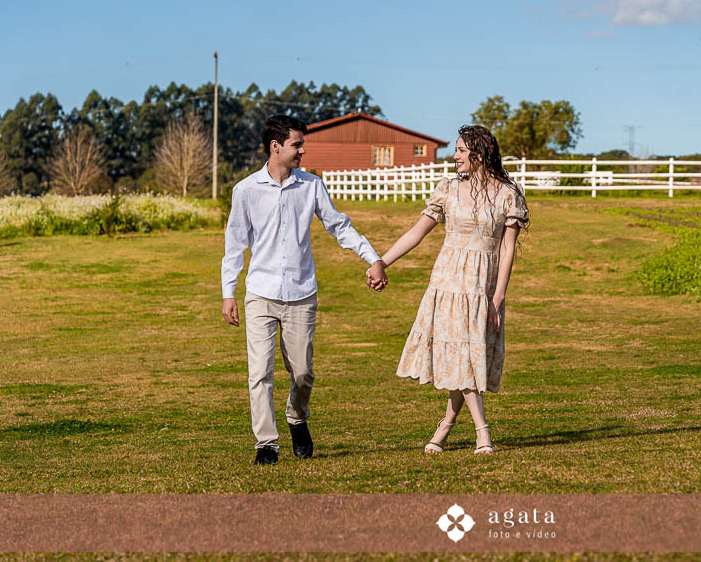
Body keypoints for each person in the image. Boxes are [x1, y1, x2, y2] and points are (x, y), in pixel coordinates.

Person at [222, 114, 387, 465]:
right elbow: (235, 245)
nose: (303, 150)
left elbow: (339, 226)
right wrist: (228, 292)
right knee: (259, 373)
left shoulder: (311, 186)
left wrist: (371, 258)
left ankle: (297, 417)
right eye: (297, 144)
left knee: (302, 373)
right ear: (275, 146)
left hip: (301, 295)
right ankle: (266, 444)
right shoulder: (246, 191)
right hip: (261, 294)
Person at [371, 125, 529, 455]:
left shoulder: (507, 194)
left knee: (467, 355)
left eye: (459, 150)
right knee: (461, 355)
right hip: (447, 281)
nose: (454, 156)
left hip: (482, 285)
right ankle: (481, 432)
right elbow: (417, 233)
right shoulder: (447, 189)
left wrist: (497, 298)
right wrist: (382, 262)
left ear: (478, 154)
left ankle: (445, 427)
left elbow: (507, 249)